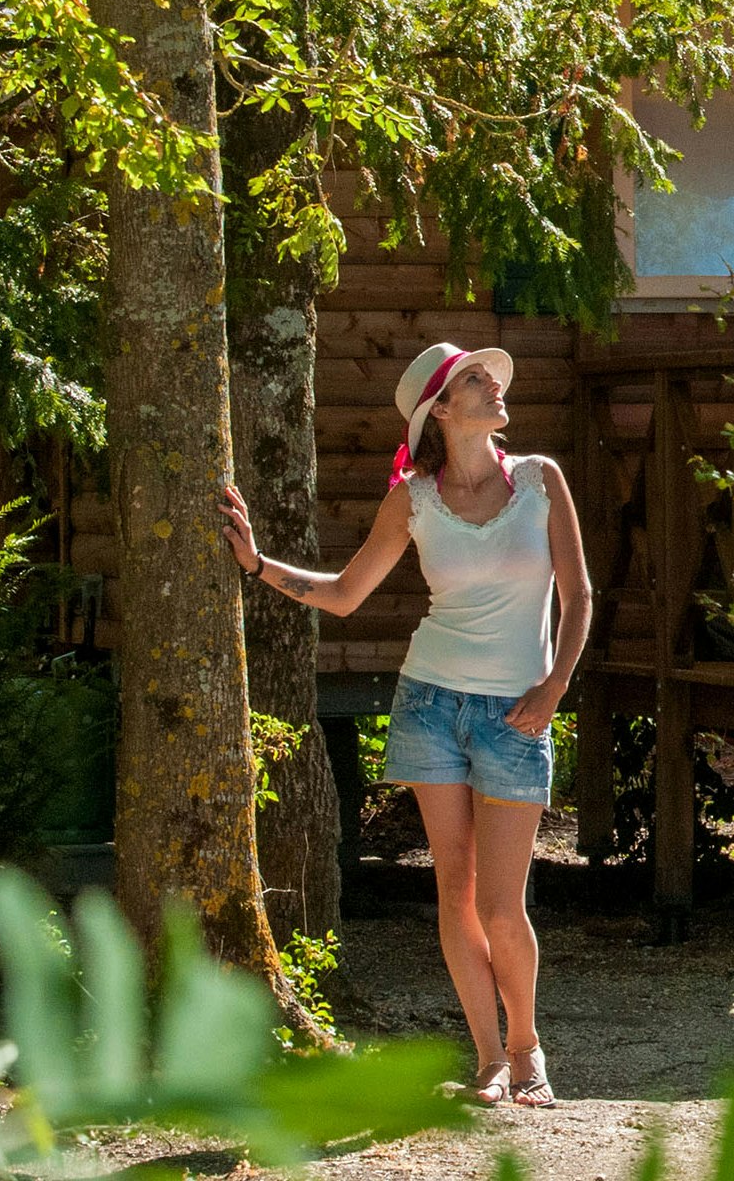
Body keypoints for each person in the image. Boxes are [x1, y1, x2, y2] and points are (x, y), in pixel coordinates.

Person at [220, 341, 592, 1107]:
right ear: (443, 412)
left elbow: (579, 597)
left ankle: (528, 1049)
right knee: (454, 893)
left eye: (492, 377)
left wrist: (556, 686)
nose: (494, 385)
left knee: (501, 903)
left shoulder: (541, 480)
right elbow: (348, 592)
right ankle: (489, 1060)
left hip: (518, 713)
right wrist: (257, 564)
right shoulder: (413, 499)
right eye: (475, 381)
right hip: (429, 705)